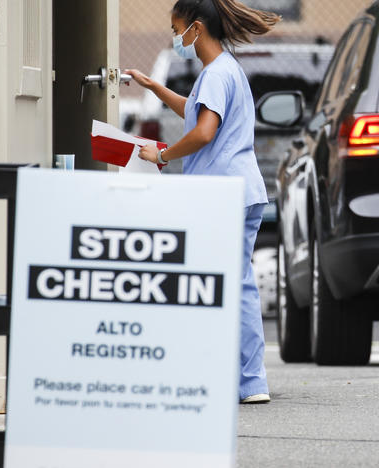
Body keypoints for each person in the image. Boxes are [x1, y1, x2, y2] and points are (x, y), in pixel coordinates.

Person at [126, 0, 279, 404]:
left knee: (228, 285)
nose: (175, 39)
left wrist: (161, 155)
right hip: (238, 191)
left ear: (195, 28)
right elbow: (195, 113)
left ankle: (246, 381)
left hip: (222, 194)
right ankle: (243, 380)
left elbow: (203, 132)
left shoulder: (215, 75)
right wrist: (156, 88)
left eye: (176, 30)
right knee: (235, 283)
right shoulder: (225, 70)